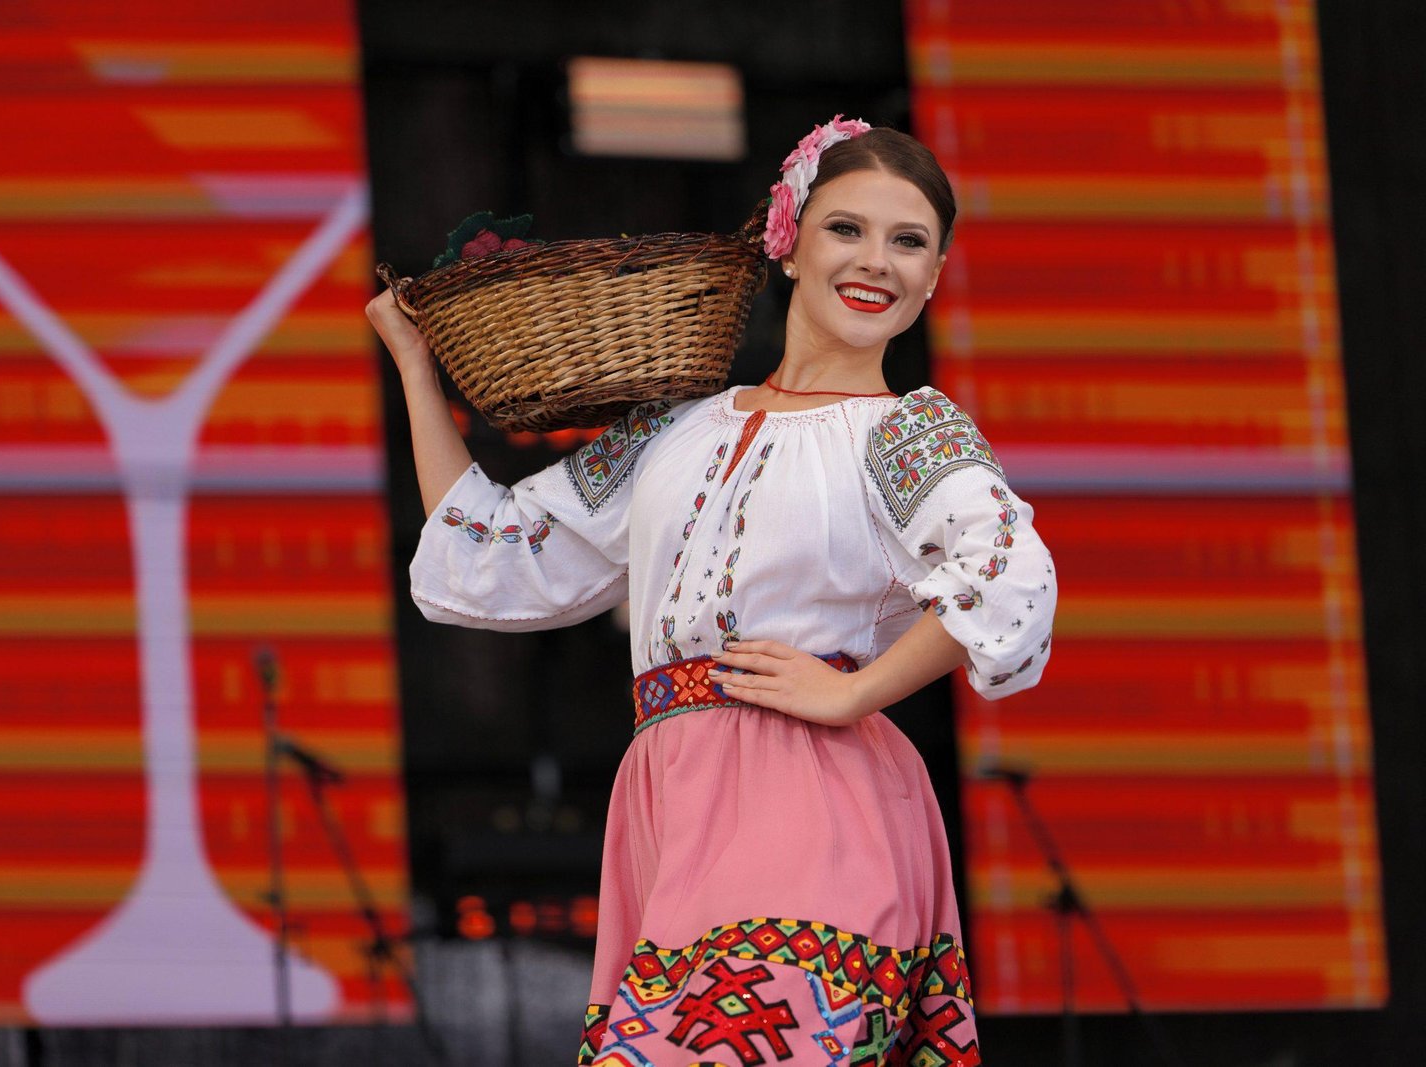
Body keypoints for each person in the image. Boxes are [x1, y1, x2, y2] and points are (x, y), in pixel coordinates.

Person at [366, 115, 1055, 1067]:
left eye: (909, 242)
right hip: (673, 808)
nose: (877, 261)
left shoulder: (905, 433)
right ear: (788, 243)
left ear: (934, 276)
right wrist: (414, 365)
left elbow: (1010, 572)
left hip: (819, 803)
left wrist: (852, 691)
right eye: (846, 228)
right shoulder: (675, 431)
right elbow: (498, 550)